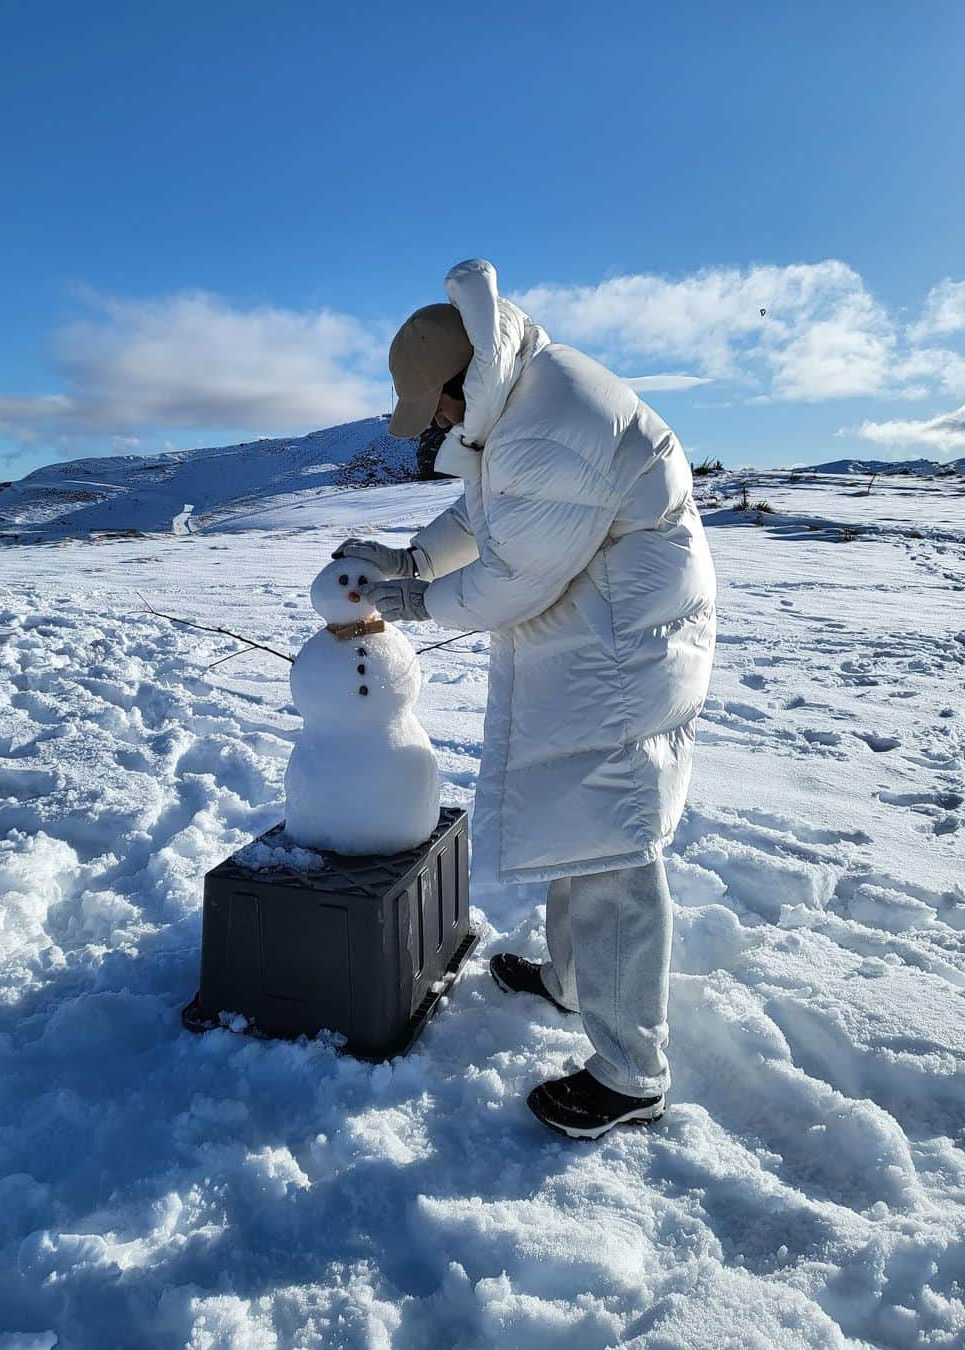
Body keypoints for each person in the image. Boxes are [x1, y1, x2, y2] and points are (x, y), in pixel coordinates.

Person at [333, 259, 716, 1139]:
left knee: (615, 842)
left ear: (461, 378)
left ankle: (631, 1075)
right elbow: (484, 516)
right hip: (603, 628)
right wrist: (414, 560)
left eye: (434, 406)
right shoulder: (522, 404)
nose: (435, 424)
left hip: (624, 643)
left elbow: (515, 577)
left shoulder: (549, 421)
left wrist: (417, 602)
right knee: (579, 811)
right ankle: (573, 984)